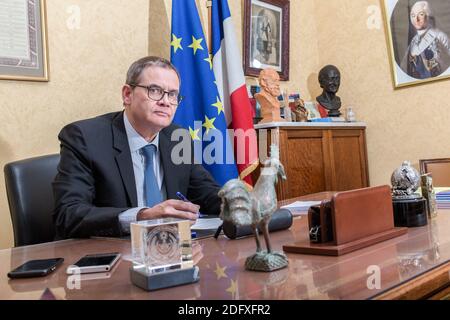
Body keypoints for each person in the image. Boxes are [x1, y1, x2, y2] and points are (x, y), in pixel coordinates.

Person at [53, 56, 221, 239]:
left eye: (172, 94)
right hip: (111, 253)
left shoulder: (177, 138)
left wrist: (241, 202)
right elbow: (68, 214)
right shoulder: (84, 138)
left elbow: (207, 194)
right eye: (155, 90)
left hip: (169, 251)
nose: (166, 102)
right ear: (127, 95)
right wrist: (141, 216)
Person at [401, 1, 450, 79]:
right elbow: (404, 67)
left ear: (428, 15)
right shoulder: (413, 42)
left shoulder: (440, 36)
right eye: (413, 15)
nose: (416, 19)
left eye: (421, 14)